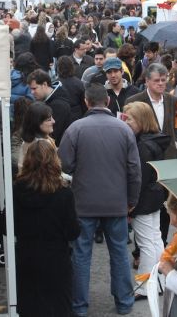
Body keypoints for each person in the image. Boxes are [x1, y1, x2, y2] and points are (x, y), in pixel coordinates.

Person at [58, 84, 141, 317]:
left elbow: (64, 165)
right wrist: (131, 199)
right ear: (107, 101)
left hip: (83, 203)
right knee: (119, 253)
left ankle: (79, 307)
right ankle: (124, 302)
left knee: (81, 255)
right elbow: (134, 170)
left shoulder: (75, 129)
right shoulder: (124, 130)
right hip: (116, 202)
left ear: (86, 101)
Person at [14, 140, 80, 317]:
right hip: (56, 258)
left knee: (30, 307)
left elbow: (7, 227)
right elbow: (73, 231)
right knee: (58, 308)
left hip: (26, 256)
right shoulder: (64, 193)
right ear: (54, 160)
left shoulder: (16, 190)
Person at [122, 102, 169, 297]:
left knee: (146, 244)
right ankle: (160, 282)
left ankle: (144, 286)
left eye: (129, 119)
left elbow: (138, 179)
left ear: (141, 120)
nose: (125, 122)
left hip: (143, 200)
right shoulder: (155, 140)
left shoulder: (142, 146)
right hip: (154, 197)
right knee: (155, 240)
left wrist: (130, 206)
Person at [125, 63, 177, 159]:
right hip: (146, 155)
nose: (161, 83)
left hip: (169, 154)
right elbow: (128, 130)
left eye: (163, 80)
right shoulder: (134, 101)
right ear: (147, 81)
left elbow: (172, 127)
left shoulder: (172, 100)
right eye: (156, 80)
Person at [27, 69, 73, 145]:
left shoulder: (59, 105)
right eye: (31, 89)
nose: (32, 92)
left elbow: (53, 134)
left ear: (44, 84)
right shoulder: (46, 101)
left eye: (34, 88)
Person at [19, 101, 56, 166]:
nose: (53, 121)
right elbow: (47, 173)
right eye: (49, 119)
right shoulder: (39, 147)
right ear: (37, 123)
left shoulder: (42, 139)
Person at [56, 56, 86, 121]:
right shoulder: (78, 83)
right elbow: (84, 104)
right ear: (71, 67)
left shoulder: (55, 84)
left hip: (60, 116)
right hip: (77, 117)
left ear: (58, 67)